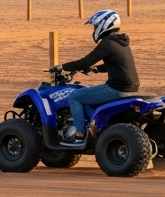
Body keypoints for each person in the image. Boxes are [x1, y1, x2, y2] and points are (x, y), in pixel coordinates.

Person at [54, 10, 139, 145]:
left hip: (116, 88)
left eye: (95, 26)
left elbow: (85, 62)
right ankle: (94, 125)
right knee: (86, 97)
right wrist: (96, 69)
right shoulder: (121, 42)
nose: (94, 29)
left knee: (75, 96)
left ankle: (79, 133)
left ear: (104, 24)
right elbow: (117, 64)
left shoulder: (107, 43)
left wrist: (62, 67)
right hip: (131, 89)